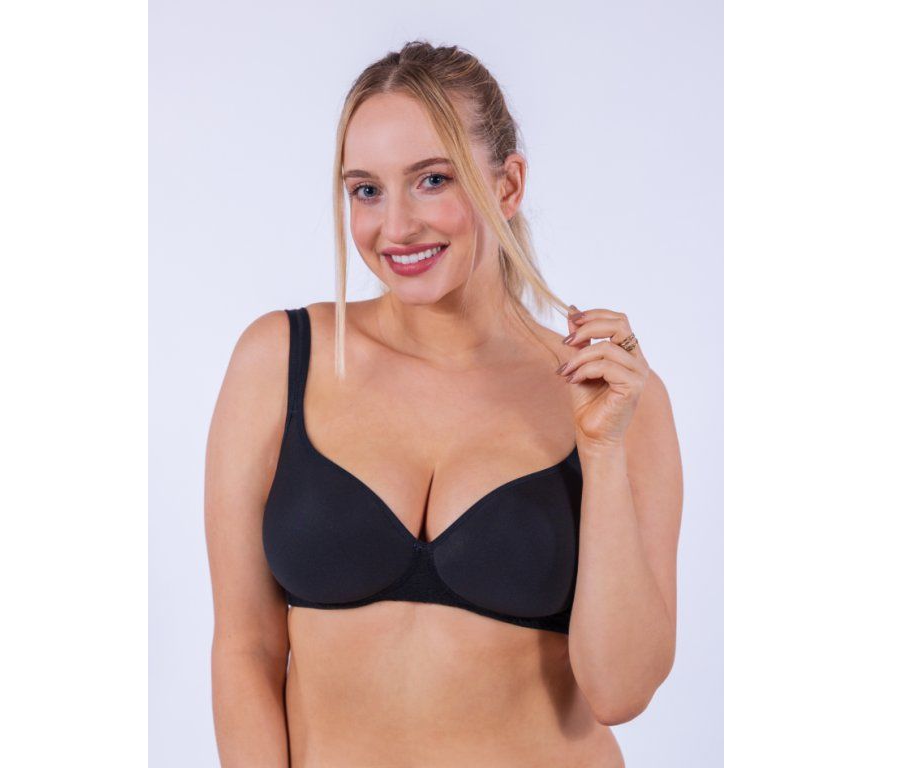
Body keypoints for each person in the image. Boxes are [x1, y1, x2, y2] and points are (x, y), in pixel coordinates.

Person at [205, 40, 683, 768]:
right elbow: (246, 649)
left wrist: (604, 451)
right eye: (366, 190)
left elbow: (620, 691)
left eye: (432, 180)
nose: (396, 227)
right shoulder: (280, 360)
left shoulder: (611, 395)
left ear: (508, 185)